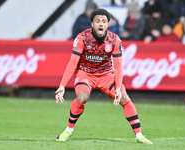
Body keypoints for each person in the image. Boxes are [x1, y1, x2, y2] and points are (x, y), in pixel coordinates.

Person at [55, 8, 153, 144]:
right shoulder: (82, 38)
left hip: (106, 75)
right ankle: (68, 130)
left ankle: (139, 136)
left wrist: (118, 88)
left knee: (124, 97)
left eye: (104, 21)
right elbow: (72, 63)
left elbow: (118, 66)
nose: (101, 24)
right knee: (82, 97)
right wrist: (62, 86)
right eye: (97, 21)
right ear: (92, 24)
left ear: (108, 23)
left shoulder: (114, 40)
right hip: (85, 73)